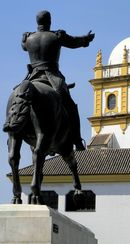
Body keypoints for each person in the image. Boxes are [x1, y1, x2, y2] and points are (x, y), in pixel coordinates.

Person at [21, 10, 95, 150]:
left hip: (33, 77)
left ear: (37, 22)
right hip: (52, 76)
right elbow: (74, 42)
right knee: (70, 106)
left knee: (20, 98)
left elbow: (24, 47)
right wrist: (86, 39)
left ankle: (14, 128)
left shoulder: (28, 38)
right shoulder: (57, 36)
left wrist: (24, 38)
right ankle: (77, 140)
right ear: (50, 21)